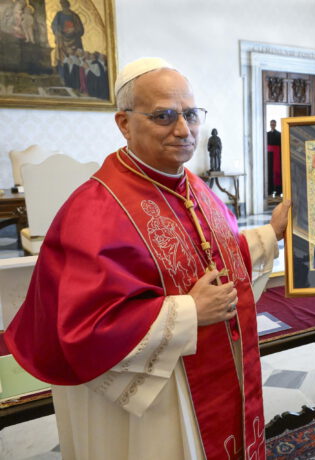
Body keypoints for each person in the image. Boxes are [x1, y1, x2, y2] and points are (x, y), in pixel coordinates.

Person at [5, 57, 290, 460]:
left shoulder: (193, 186)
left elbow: (220, 255)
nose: (184, 130)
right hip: (159, 403)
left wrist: (271, 233)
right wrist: (189, 311)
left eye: (191, 114)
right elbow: (83, 329)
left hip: (209, 378)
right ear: (124, 123)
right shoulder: (95, 208)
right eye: (164, 116)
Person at [51, 0, 84, 69]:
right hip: (62, 39)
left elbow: (80, 28)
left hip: (74, 39)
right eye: (62, 5)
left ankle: (75, 69)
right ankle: (62, 68)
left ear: (68, 5)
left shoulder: (74, 16)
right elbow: (54, 25)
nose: (64, 6)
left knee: (75, 57)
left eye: (65, 5)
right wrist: (58, 30)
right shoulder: (59, 15)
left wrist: (73, 29)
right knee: (62, 55)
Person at [266, 119, 282, 195]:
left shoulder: (279, 134)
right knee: (269, 171)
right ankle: (270, 190)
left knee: (277, 172)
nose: (272, 125)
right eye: (271, 124)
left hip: (277, 155)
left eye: (273, 124)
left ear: (275, 125)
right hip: (269, 155)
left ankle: (278, 190)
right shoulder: (267, 134)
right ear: (270, 125)